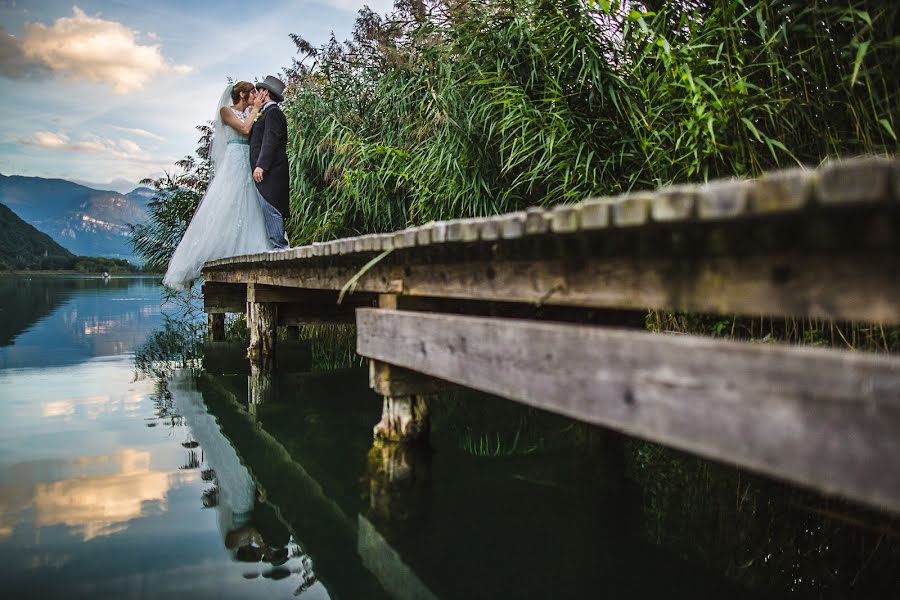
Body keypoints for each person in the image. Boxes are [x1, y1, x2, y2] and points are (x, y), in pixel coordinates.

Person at [162, 82, 272, 291]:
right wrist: (256, 110)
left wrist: (257, 111)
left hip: (247, 160)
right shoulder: (226, 112)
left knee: (249, 205)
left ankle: (248, 252)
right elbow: (245, 128)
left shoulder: (250, 111)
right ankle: (203, 258)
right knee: (226, 202)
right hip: (234, 160)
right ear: (242, 94)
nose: (255, 97)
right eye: (252, 93)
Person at [249, 75, 290, 250]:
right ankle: (277, 246)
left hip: (272, 170)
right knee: (269, 207)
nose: (257, 94)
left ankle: (280, 247)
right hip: (270, 169)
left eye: (259, 91)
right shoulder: (267, 113)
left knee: (272, 205)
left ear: (265, 92)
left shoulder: (273, 113)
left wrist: (261, 165)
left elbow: (270, 140)